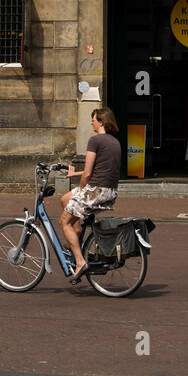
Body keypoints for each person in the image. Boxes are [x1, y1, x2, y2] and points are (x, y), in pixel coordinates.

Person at [60, 107, 121, 281]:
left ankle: (80, 262)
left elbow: (88, 174)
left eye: (93, 119)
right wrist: (74, 174)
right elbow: (99, 168)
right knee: (64, 199)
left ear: (101, 122)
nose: (91, 122)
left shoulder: (95, 141)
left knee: (64, 222)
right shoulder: (114, 142)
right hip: (109, 191)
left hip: (95, 191)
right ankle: (76, 233)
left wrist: (81, 189)